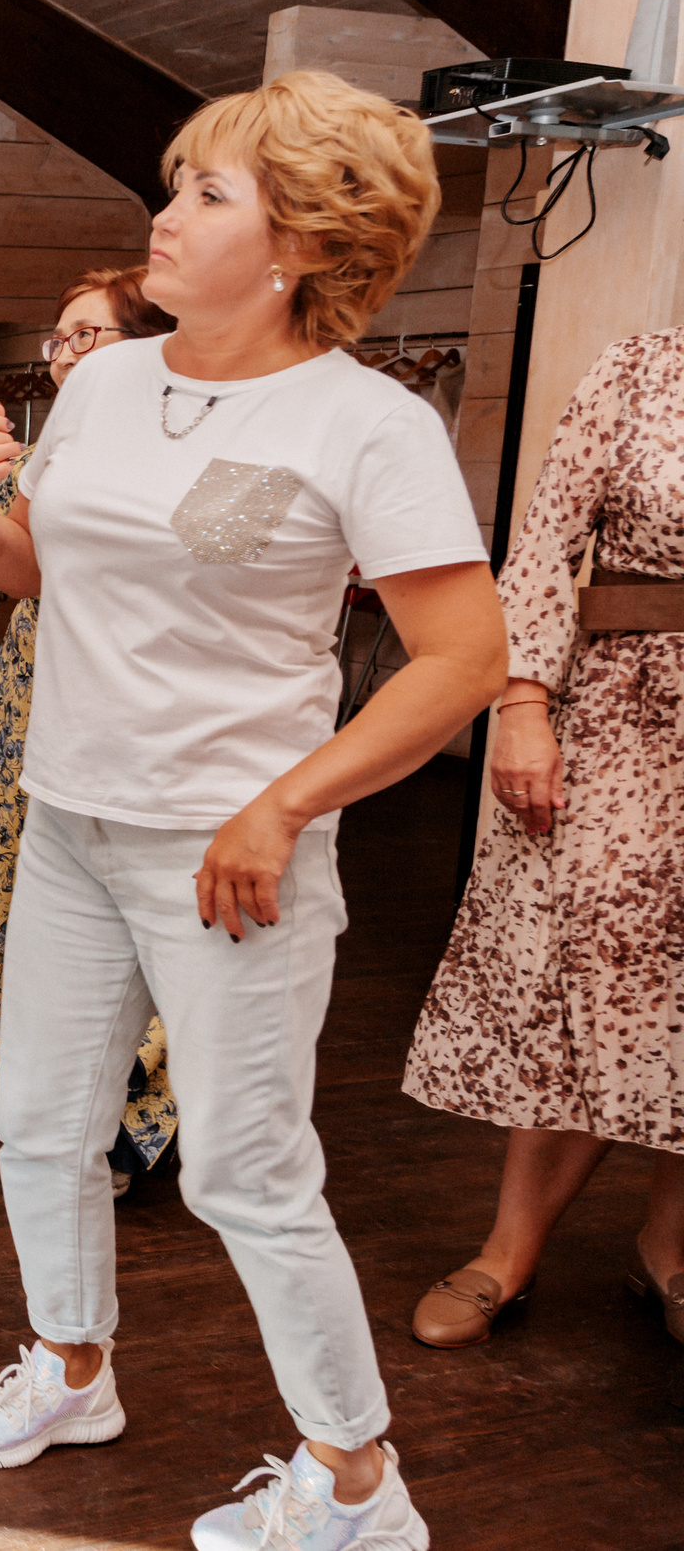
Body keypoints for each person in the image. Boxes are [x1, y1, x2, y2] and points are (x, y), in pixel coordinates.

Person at [0, 70, 503, 1549]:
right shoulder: (111, 379)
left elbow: (466, 662)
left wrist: (284, 805)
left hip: (227, 857)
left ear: (302, 241)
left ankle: (358, 1478)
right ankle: (71, 1366)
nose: (162, 215)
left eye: (206, 192)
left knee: (246, 1171)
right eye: (175, 183)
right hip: (68, 819)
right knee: (42, 1128)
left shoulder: (366, 424)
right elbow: (41, 583)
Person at [400, 325, 684, 1353]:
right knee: (588, 980)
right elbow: (544, 543)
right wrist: (521, 701)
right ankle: (508, 1251)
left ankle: (667, 1243)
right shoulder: (645, 364)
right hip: (631, 718)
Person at [0, 268, 178, 1193]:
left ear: (147, 344)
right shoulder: (32, 461)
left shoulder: (191, 459)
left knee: (145, 928)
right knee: (11, 900)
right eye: (56, 340)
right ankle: (8, 1085)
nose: (61, 356)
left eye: (84, 337)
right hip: (31, 708)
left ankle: (114, 1120)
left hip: (149, 720)